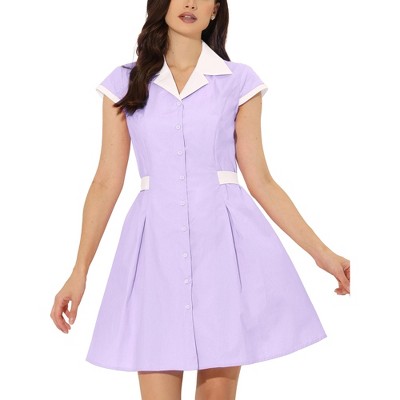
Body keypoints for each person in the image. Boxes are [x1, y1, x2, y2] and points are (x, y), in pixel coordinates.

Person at [50, 0, 350, 398]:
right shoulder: (125, 82)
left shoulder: (238, 81)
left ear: (214, 10)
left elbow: (261, 181)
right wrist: (79, 271)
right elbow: (106, 182)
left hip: (223, 251)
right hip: (154, 255)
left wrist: (321, 253)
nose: (189, 2)